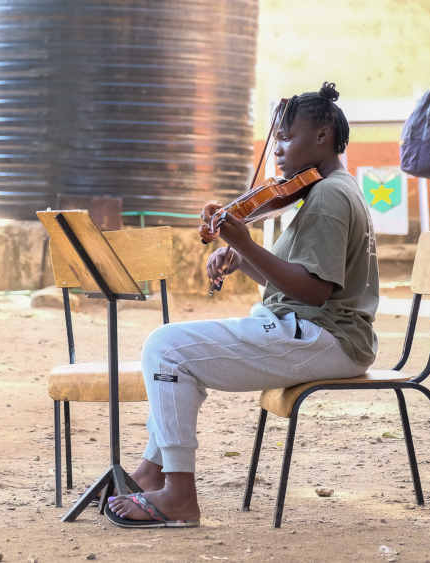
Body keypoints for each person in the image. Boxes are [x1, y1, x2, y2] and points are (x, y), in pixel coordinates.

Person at [106, 83, 379, 527]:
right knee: (177, 358)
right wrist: (242, 260)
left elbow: (314, 291)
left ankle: (178, 496)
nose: (278, 151)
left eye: (287, 138)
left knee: (166, 347)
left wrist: (246, 244)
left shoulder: (329, 195)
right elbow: (298, 281)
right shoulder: (329, 189)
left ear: (323, 135)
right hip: (321, 331)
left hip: (325, 335)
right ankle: (151, 472)